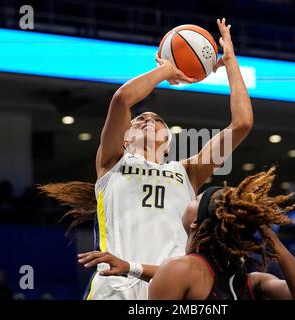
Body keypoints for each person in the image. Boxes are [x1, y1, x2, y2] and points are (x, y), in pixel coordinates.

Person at [40, 18, 253, 300]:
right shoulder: (112, 162)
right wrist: (166, 69)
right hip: (113, 288)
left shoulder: (187, 171)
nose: (148, 119)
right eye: (140, 119)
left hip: (167, 287)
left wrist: (230, 63)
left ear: (169, 144)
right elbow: (121, 99)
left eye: (157, 120)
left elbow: (241, 124)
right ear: (125, 138)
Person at [148, 168, 295, 300]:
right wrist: (271, 237)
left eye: (196, 199)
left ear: (196, 223)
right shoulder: (251, 281)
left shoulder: (179, 268)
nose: (190, 200)